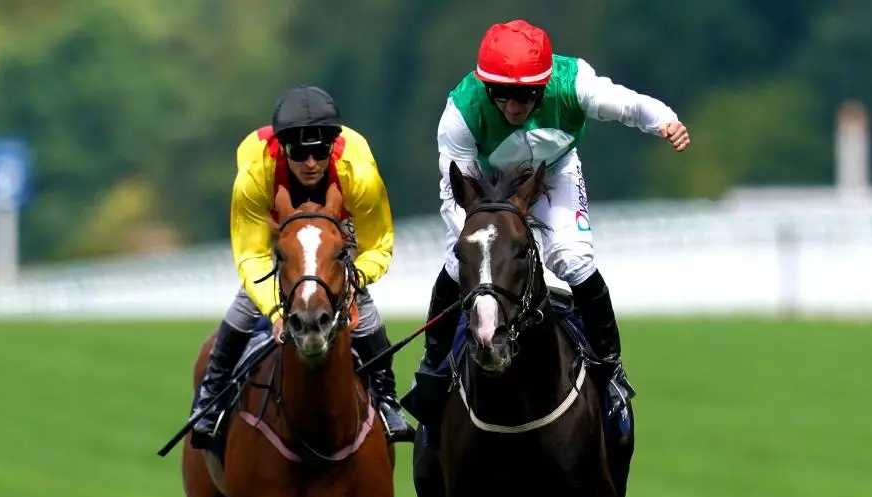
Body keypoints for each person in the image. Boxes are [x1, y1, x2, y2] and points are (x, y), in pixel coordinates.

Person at [417, 19, 691, 426]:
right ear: (485, 86)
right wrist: (477, 238)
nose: (513, 107)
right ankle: (434, 371)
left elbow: (630, 105)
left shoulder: (573, 83)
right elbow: (457, 189)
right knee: (462, 263)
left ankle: (610, 372)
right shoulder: (461, 113)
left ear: (543, 86)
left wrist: (664, 120)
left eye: (525, 96)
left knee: (573, 260)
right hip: (485, 182)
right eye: (502, 95)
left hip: (553, 172)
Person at [189, 85, 415, 449]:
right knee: (244, 309)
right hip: (281, 245)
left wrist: (357, 279)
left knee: (368, 316)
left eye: (320, 151)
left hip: (334, 243)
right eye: (299, 152)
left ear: (332, 146)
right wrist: (277, 311)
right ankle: (210, 398)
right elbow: (251, 256)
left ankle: (387, 402)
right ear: (282, 148)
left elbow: (378, 245)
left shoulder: (359, 173)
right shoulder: (255, 171)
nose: (311, 163)